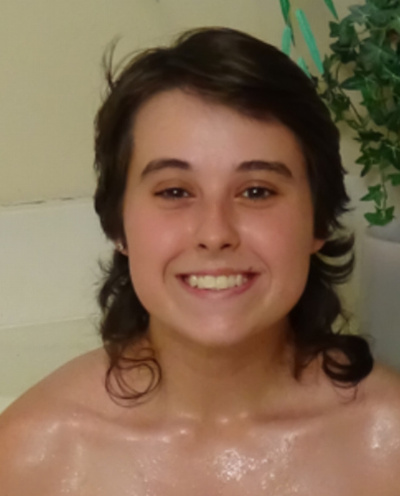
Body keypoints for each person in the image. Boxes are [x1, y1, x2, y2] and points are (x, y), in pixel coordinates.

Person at [1, 26, 400, 495]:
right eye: (174, 192)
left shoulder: (387, 445)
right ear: (118, 225)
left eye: (257, 191)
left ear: (318, 221)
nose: (215, 233)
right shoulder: (30, 456)